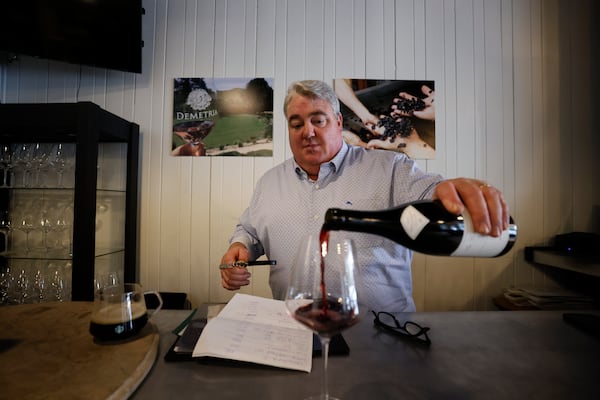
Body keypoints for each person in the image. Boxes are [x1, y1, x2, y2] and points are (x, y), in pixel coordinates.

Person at [220, 80, 509, 312]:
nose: (307, 131)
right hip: (295, 332)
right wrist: (240, 246)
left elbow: (430, 193)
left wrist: (454, 192)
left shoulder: (390, 168)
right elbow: (250, 230)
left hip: (381, 336)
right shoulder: (269, 182)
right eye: (296, 124)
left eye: (318, 120)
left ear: (337, 121)